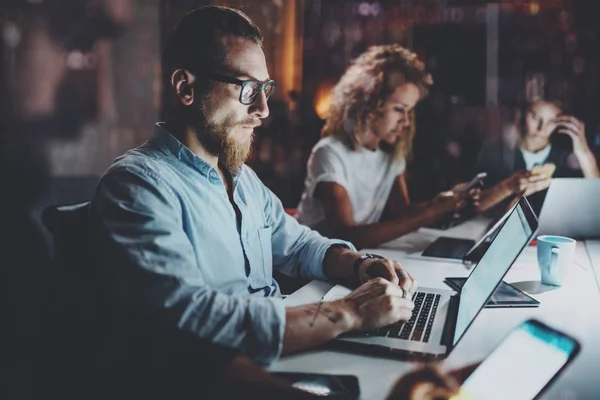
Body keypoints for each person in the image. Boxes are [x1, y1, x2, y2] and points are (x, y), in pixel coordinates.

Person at [89, 5, 419, 369]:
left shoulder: (242, 178)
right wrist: (350, 313)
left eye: (266, 88)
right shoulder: (138, 187)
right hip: (228, 377)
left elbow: (299, 246)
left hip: (285, 353)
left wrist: (361, 265)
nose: (263, 109)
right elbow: (195, 321)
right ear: (185, 87)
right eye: (247, 88)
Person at [295, 45, 479, 249]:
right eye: (399, 109)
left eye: (409, 111)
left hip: (350, 261)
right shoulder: (330, 153)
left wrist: (439, 204)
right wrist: (431, 213)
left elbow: (399, 212)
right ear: (369, 106)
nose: (407, 121)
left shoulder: (389, 154)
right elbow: (346, 235)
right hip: (309, 268)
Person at [476, 98, 600, 214]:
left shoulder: (563, 157)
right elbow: (476, 204)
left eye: (551, 121)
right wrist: (508, 187)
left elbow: (596, 200)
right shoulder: (500, 152)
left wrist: (584, 153)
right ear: (522, 115)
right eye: (535, 117)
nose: (541, 128)